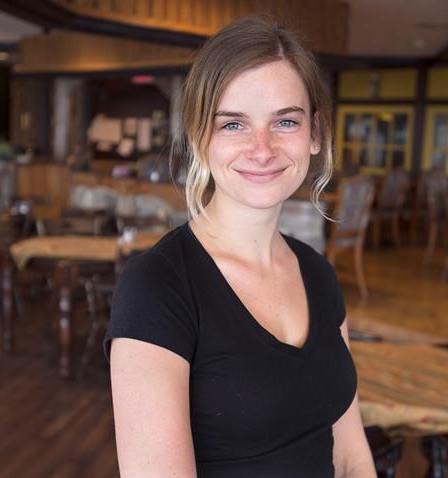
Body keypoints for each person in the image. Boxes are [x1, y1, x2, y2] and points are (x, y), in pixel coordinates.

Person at [104, 15, 376, 478]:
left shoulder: (318, 274)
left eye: (285, 121)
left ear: (315, 134)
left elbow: (352, 457)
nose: (262, 148)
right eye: (233, 125)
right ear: (199, 137)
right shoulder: (157, 287)